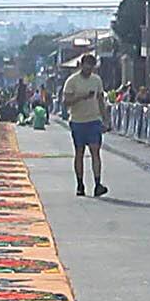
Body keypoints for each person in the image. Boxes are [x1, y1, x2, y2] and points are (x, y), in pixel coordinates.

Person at [61, 50, 110, 197]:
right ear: (81, 65)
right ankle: (80, 184)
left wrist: (105, 119)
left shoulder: (97, 81)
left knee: (95, 151)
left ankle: (97, 184)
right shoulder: (72, 81)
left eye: (91, 67)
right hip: (78, 121)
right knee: (80, 152)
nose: (89, 70)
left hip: (94, 120)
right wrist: (81, 97)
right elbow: (66, 102)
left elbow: (101, 100)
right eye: (87, 66)